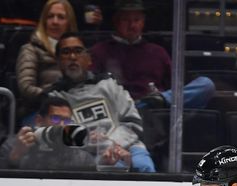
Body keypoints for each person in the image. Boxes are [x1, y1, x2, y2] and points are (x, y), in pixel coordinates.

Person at [46, 32, 156, 172]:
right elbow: (59, 135)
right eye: (66, 52)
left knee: (144, 167)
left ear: (89, 59)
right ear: (58, 62)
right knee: (112, 169)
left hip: (128, 145)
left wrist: (112, 144)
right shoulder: (54, 98)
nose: (72, 57)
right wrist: (92, 143)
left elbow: (133, 122)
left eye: (78, 51)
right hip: (87, 156)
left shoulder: (109, 85)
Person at [89, 0, 215, 109]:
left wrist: (163, 97)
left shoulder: (157, 51)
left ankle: (153, 101)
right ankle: (146, 104)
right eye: (126, 20)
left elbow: (176, 87)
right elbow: (90, 89)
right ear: (116, 22)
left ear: (143, 22)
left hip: (155, 111)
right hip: (119, 110)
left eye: (136, 20)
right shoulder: (99, 51)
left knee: (206, 84)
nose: (132, 25)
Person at [0, 96, 98, 170]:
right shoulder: (15, 144)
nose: (62, 125)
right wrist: (15, 156)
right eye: (56, 118)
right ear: (39, 120)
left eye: (67, 121)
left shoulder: (80, 156)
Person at [16, 0, 79, 120]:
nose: (55, 22)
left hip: (76, 109)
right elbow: (26, 87)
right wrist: (53, 98)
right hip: (40, 112)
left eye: (61, 17)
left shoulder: (78, 52)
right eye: (50, 16)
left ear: (69, 22)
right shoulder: (30, 49)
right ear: (44, 21)